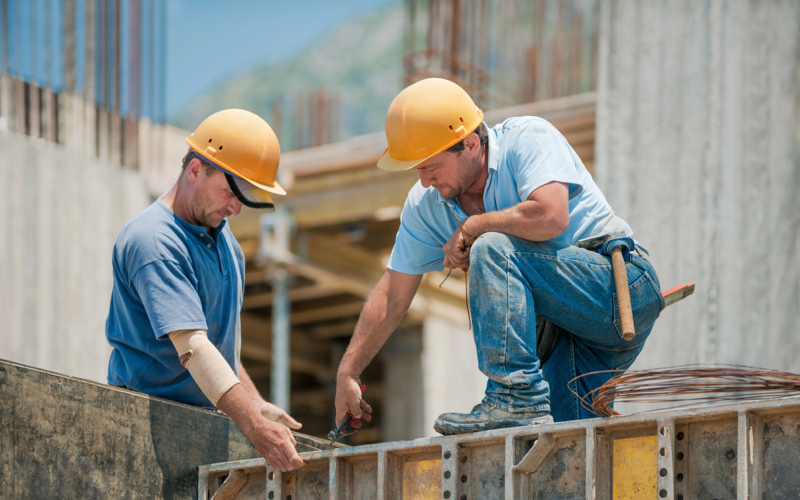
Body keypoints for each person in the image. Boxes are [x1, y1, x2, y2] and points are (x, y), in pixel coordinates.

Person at [335, 78, 664, 435]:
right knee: (568, 452)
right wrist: (348, 371)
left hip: (619, 289)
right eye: (418, 170)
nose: (425, 181)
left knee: (491, 246)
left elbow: (552, 215)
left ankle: (515, 399)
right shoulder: (426, 205)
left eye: (430, 167)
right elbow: (393, 293)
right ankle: (524, 405)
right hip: (567, 337)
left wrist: (475, 225)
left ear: (471, 143)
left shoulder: (527, 139)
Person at [105, 109, 314, 471]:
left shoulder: (224, 241)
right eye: (231, 191)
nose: (236, 207)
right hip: (143, 427)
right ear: (195, 170)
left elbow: (215, 344)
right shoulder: (153, 241)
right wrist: (255, 427)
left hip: (199, 426)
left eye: (246, 196)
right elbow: (194, 348)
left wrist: (254, 402)